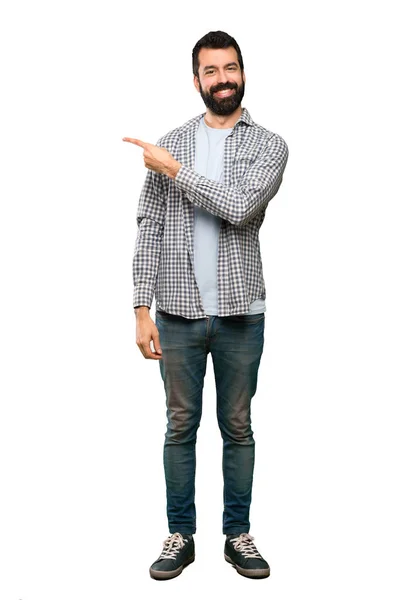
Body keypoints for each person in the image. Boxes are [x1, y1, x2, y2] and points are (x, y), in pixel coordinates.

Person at [123, 30, 288, 580]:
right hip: (176, 313)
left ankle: (237, 536)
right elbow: (148, 227)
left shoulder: (269, 145)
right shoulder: (172, 142)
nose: (223, 79)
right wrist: (139, 307)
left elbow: (239, 208)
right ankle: (180, 535)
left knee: (237, 426)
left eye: (231, 68)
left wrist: (173, 170)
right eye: (211, 71)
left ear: (244, 72)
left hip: (242, 313)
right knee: (179, 426)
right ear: (196, 80)